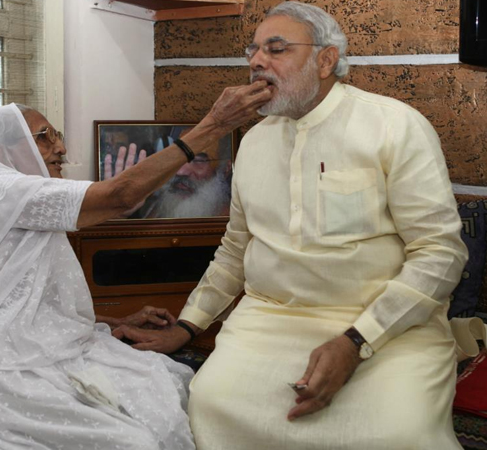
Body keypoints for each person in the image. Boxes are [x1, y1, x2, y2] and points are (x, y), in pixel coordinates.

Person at [112, 2, 469, 449]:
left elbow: (440, 253)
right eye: (253, 51)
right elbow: (235, 251)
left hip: (387, 323)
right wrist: (186, 326)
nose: (257, 62)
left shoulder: (395, 126)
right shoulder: (255, 141)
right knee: (211, 404)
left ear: (325, 60)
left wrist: (356, 342)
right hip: (270, 320)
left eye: (276, 49)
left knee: (398, 432)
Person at [0, 80, 272, 449]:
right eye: (44, 137)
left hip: (30, 343)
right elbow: (120, 196)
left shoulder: (7, 191)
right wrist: (214, 124)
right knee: (130, 439)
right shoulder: (2, 188)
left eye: (58, 136)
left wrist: (112, 321)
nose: (61, 148)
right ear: (3, 150)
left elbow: (20, 300)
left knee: (171, 392)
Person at [104, 128, 233, 219]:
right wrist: (118, 214)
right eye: (177, 159)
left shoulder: (235, 223)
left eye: (198, 161)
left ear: (225, 169)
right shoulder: (153, 207)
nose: (180, 171)